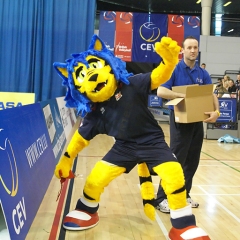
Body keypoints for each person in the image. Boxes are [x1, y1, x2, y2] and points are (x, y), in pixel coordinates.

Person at [53, 35, 211, 239]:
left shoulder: (132, 83)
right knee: (96, 178)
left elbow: (157, 76)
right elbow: (80, 139)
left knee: (174, 173)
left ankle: (183, 224)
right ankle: (87, 209)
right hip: (123, 147)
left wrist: (170, 62)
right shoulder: (94, 112)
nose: (93, 77)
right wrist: (67, 160)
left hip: (152, 142)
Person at [155, 36, 220, 213]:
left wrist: (217, 111)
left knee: (192, 161)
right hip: (179, 123)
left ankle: (184, 194)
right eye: (189, 47)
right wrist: (181, 96)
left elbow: (211, 94)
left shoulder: (203, 73)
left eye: (195, 47)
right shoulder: (175, 70)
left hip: (197, 123)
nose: (193, 50)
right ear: (183, 50)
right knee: (174, 161)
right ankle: (162, 198)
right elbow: (161, 90)